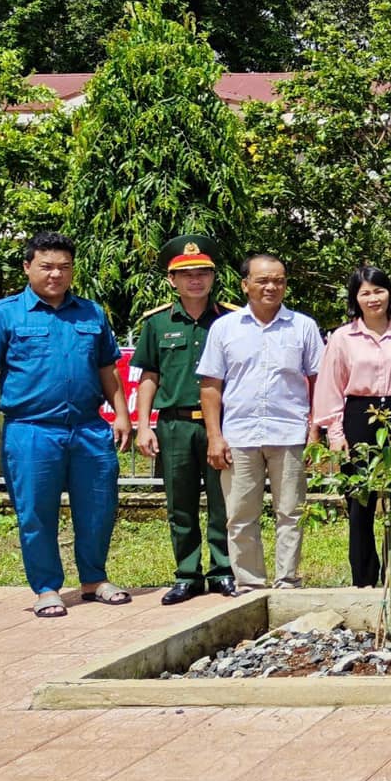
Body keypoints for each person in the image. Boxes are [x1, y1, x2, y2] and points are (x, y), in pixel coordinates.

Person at [0, 232, 132, 616]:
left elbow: (107, 368)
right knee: (35, 511)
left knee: (98, 506)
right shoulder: (3, 315)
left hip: (88, 428)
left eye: (64, 267)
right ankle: (46, 588)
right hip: (31, 430)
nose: (55, 275)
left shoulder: (91, 313)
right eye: (46, 266)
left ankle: (94, 578)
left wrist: (122, 413)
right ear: (28, 267)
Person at [198, 252, 324, 592]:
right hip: (239, 435)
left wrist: (314, 431)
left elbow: (317, 382)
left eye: (279, 280)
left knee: (291, 514)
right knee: (240, 516)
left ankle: (287, 582)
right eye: (263, 280)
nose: (272, 287)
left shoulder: (303, 326)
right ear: (245, 285)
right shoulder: (225, 328)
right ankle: (251, 586)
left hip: (290, 434)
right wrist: (215, 436)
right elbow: (210, 386)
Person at [313, 266, 391, 590]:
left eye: (379, 290)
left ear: (389, 293)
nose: (373, 298)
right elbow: (331, 386)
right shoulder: (341, 337)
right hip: (359, 415)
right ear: (355, 298)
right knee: (359, 500)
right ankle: (363, 580)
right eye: (365, 292)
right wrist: (335, 433)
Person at [133, 234, 235, 605]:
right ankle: (187, 574)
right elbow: (149, 376)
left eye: (202, 273)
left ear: (213, 277)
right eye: (186, 273)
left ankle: (223, 570)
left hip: (220, 424)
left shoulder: (231, 320)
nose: (196, 280)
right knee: (181, 502)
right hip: (174, 425)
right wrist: (144, 425)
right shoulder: (158, 324)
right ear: (172, 280)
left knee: (224, 501)